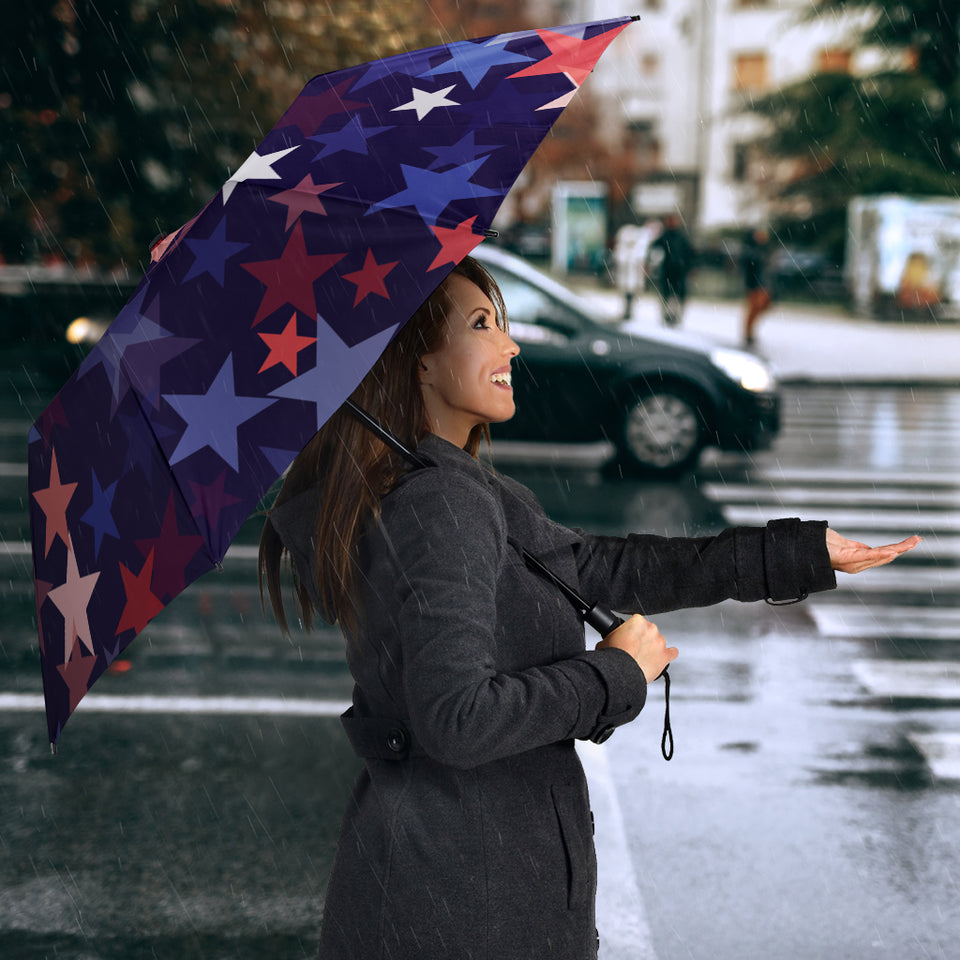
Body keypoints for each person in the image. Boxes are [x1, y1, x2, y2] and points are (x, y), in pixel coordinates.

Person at [258, 256, 919, 960]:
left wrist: (795, 554)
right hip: (469, 904)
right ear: (417, 361)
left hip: (447, 884)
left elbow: (599, 567)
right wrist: (614, 674)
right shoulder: (441, 504)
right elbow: (457, 719)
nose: (511, 345)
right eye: (482, 325)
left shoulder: (443, 487)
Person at [648, 213, 695, 327]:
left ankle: (675, 316)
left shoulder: (681, 237)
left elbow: (690, 253)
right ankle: (667, 315)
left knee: (677, 295)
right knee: (667, 294)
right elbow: (654, 249)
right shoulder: (665, 236)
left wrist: (690, 267)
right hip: (668, 271)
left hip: (679, 271)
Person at [741, 226, 772, 347]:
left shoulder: (762, 249)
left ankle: (750, 331)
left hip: (762, 283)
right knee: (754, 308)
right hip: (754, 284)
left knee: (761, 306)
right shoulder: (751, 250)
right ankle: (748, 333)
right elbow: (750, 266)